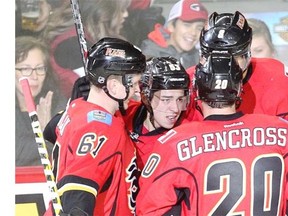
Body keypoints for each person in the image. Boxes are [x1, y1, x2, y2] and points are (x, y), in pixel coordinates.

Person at [136, 53, 288, 215]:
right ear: (238, 89)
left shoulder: (174, 143)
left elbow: (150, 210)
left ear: (197, 92)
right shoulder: (281, 130)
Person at [44, 37, 146, 215]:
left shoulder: (77, 107)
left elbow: (50, 131)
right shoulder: (101, 128)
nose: (138, 90)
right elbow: (77, 192)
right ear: (113, 86)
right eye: (134, 83)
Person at [185, 11, 288, 122]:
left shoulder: (276, 75)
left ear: (247, 55)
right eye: (213, 56)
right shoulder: (187, 82)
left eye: (232, 56)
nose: (222, 65)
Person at [41, 0, 131, 98]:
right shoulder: (73, 45)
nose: (126, 14)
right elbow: (99, 92)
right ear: (102, 17)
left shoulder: (81, 38)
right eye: (121, 10)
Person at [123, 56, 191, 170]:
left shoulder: (186, 139)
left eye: (180, 99)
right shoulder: (126, 113)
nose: (175, 109)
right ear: (145, 98)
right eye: (166, 99)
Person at [15, 36, 67, 166]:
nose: (34, 76)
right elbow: (14, 152)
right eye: (25, 69)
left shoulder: (55, 102)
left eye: (39, 68)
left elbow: (68, 148)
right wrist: (46, 136)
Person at [140, 0, 208, 69]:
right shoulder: (150, 57)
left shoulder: (200, 57)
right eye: (187, 25)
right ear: (171, 26)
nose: (193, 32)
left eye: (199, 28)